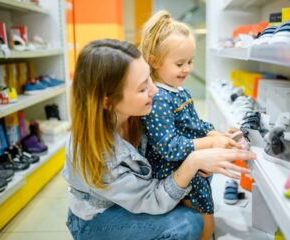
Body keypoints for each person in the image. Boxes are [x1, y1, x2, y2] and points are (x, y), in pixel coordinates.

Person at [62, 39, 255, 240]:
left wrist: (213, 139)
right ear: (108, 101)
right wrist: (193, 162)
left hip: (138, 196)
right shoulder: (96, 154)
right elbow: (151, 199)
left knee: (203, 175)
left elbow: (182, 134)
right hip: (99, 218)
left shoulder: (138, 112)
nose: (155, 91)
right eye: (142, 88)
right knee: (186, 224)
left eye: (150, 80)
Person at [139, 11, 240, 240]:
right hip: (171, 167)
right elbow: (168, 146)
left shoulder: (179, 89)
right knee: (203, 205)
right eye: (179, 63)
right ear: (154, 61)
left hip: (187, 158)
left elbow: (195, 124)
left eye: (190, 62)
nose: (187, 69)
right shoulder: (160, 98)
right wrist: (211, 142)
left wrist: (216, 133)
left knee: (205, 195)